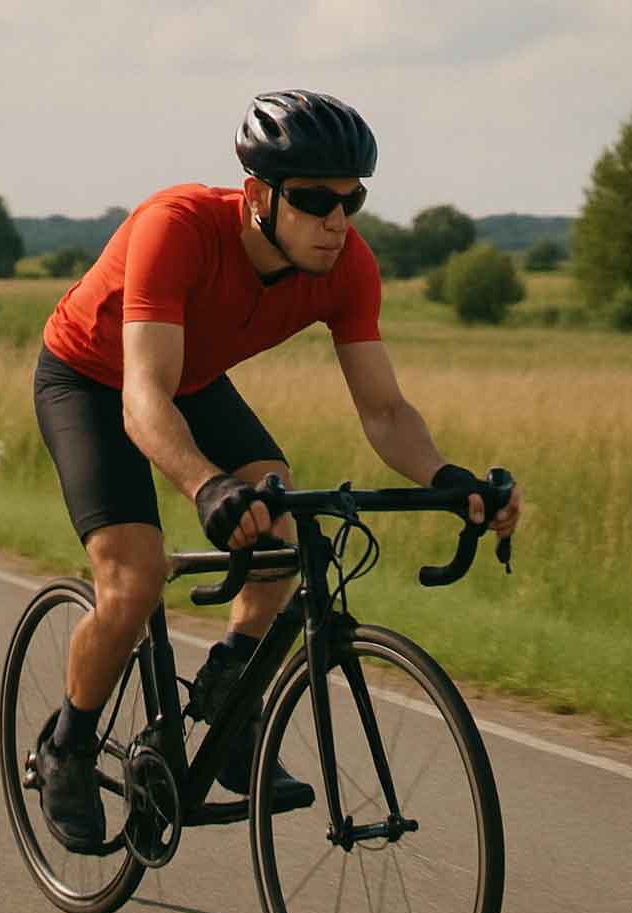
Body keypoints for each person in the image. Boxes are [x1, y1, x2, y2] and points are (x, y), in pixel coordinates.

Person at [31, 90, 522, 853]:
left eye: (351, 200)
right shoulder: (177, 228)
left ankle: (229, 689)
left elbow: (386, 412)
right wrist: (206, 485)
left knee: (284, 529)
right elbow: (142, 398)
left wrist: (444, 478)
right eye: (314, 200)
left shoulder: (347, 265)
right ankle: (69, 741)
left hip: (189, 380)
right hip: (94, 380)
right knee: (134, 579)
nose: (337, 220)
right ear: (258, 195)